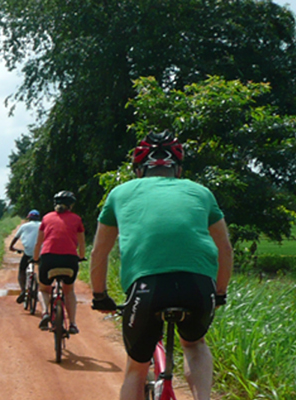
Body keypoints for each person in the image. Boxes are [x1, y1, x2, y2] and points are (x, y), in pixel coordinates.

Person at [89, 133, 233, 400]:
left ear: (138, 170)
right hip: (198, 286)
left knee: (137, 367)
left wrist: (100, 295)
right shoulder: (201, 192)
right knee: (194, 344)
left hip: (147, 288)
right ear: (177, 169)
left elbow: (100, 251)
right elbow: (225, 249)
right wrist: (220, 292)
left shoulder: (119, 193)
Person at [32, 191, 86, 334]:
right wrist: (81, 256)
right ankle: (73, 324)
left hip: (48, 257)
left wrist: (36, 258)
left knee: (44, 289)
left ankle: (44, 313)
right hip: (70, 259)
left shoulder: (46, 218)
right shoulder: (76, 219)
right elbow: (81, 242)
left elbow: (39, 242)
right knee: (69, 291)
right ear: (70, 205)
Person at [9, 210, 41, 305]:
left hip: (28, 253)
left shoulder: (24, 226)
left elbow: (15, 238)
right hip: (41, 252)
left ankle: (23, 290)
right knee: (42, 270)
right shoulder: (43, 225)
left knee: (22, 270)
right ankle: (39, 288)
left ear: (28, 218)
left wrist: (12, 247)